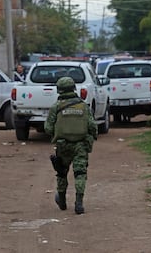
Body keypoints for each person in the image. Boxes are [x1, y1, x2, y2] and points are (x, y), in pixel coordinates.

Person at [44, 77, 98, 215]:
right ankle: (79, 204)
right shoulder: (84, 106)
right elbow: (92, 126)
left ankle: (61, 200)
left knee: (61, 173)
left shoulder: (56, 107)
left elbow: (48, 128)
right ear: (74, 88)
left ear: (59, 90)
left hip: (63, 146)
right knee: (80, 174)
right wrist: (92, 137)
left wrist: (57, 134)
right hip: (81, 145)